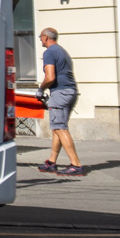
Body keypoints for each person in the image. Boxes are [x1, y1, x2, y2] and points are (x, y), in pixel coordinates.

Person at [37, 27, 84, 176]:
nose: (40, 39)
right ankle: (52, 162)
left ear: (46, 37)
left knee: (60, 128)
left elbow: (50, 77)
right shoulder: (62, 51)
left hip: (60, 93)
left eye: (40, 37)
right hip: (71, 91)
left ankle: (76, 165)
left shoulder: (49, 52)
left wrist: (40, 89)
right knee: (57, 127)